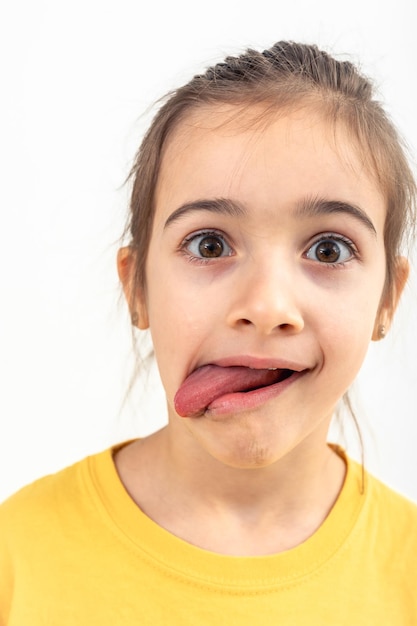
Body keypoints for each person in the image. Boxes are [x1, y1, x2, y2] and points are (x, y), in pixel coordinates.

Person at [1, 40, 416, 624]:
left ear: (387, 299)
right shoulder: (17, 550)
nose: (267, 307)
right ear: (137, 289)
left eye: (329, 248)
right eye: (210, 244)